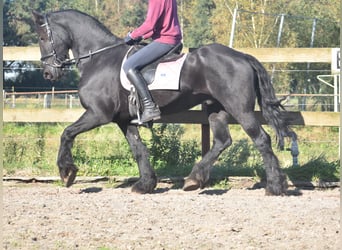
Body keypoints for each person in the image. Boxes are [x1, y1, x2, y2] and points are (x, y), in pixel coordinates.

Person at [123, 0, 182, 123]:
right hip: (171, 38)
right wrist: (142, 37)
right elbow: (159, 24)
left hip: (165, 40)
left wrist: (132, 35)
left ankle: (149, 107)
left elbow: (150, 24)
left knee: (129, 65)